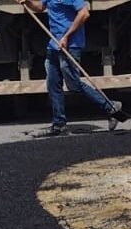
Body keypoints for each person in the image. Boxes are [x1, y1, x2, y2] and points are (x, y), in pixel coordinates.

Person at [18, 0, 123, 136]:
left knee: (74, 84)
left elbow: (84, 14)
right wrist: (27, 1)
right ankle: (59, 124)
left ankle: (111, 107)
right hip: (54, 45)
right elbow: (40, 7)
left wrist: (67, 36)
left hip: (71, 45)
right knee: (53, 84)